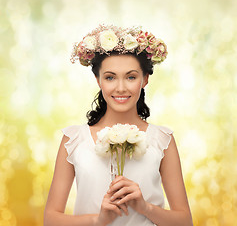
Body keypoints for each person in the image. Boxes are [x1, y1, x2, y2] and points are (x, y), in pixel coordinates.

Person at [44, 25, 193, 226]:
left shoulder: (162, 140)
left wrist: (144, 207)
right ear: (98, 80)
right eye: (110, 77)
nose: (121, 88)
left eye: (131, 77)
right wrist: (98, 220)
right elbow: (51, 220)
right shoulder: (74, 140)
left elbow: (184, 221)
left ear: (145, 79)